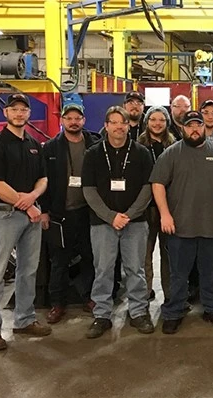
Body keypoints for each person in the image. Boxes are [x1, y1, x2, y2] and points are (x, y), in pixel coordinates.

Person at [151, 110, 213, 334]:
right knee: (179, 274)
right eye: (189, 125)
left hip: (212, 226)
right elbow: (158, 184)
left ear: (203, 127)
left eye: (198, 125)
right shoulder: (171, 153)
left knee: (211, 272)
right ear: (183, 128)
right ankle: (174, 311)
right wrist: (165, 214)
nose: (194, 129)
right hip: (180, 227)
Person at [82, 106, 154, 339]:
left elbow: (148, 188)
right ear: (106, 126)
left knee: (136, 269)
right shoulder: (93, 154)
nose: (119, 127)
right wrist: (111, 216)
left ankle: (138, 312)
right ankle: (102, 315)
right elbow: (89, 190)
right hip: (103, 223)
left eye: (122, 122)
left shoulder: (142, 153)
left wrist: (129, 214)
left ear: (128, 125)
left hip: (135, 222)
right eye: (113, 122)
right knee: (103, 270)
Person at [0, 93, 52, 351]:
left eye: (23, 110)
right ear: (6, 113)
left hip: (31, 215)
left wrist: (33, 198)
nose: (19, 113)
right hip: (5, 215)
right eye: (14, 109)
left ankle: (24, 319)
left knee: (28, 270)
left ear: (28, 114)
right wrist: (27, 204)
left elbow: (43, 179)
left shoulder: (33, 144)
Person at [40, 103, 100, 323]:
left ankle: (89, 297)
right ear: (62, 120)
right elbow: (43, 180)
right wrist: (44, 211)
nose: (73, 122)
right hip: (60, 214)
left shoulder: (94, 144)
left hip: (89, 212)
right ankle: (57, 303)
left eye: (77, 118)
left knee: (90, 257)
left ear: (84, 120)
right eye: (69, 118)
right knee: (59, 260)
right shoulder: (50, 148)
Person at [137, 105, 175, 302]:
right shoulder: (138, 146)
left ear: (167, 122)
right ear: (147, 122)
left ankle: (171, 296)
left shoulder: (174, 146)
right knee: (144, 255)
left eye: (161, 120)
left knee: (169, 255)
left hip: (170, 208)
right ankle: (144, 295)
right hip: (145, 209)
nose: (157, 123)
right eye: (153, 119)